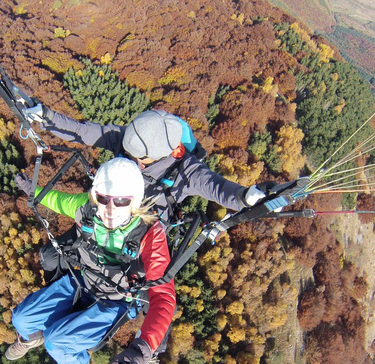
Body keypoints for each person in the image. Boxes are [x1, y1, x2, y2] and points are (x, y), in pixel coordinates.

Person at [23, 105, 274, 282]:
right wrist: (45, 116)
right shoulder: (129, 141)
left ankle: (153, 352)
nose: (132, 160)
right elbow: (85, 131)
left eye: (138, 158)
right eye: (129, 154)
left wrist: (246, 196)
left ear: (164, 153)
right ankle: (59, 300)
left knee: (147, 288)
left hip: (142, 238)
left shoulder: (186, 170)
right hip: (105, 219)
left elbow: (217, 187)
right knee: (49, 256)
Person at [6, 157, 176, 364]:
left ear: (135, 201)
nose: (110, 209)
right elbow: (56, 200)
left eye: (122, 201)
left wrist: (143, 349)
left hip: (114, 301)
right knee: (21, 318)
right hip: (84, 282)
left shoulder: (149, 235)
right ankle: (30, 338)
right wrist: (32, 190)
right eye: (104, 198)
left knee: (55, 343)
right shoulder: (88, 209)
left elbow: (163, 298)